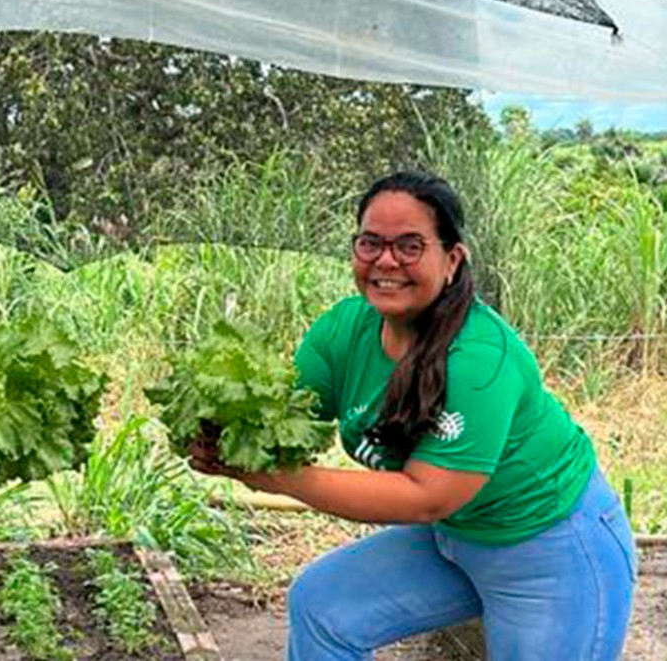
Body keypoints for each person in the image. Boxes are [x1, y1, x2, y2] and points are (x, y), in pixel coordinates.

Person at [189, 171, 637, 660]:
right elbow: (284, 420)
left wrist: (280, 479)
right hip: (456, 536)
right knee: (324, 608)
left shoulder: (479, 361)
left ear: (452, 260)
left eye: (409, 246)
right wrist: (223, 429)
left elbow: (428, 497)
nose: (386, 261)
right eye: (370, 243)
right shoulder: (344, 331)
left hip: (551, 546)